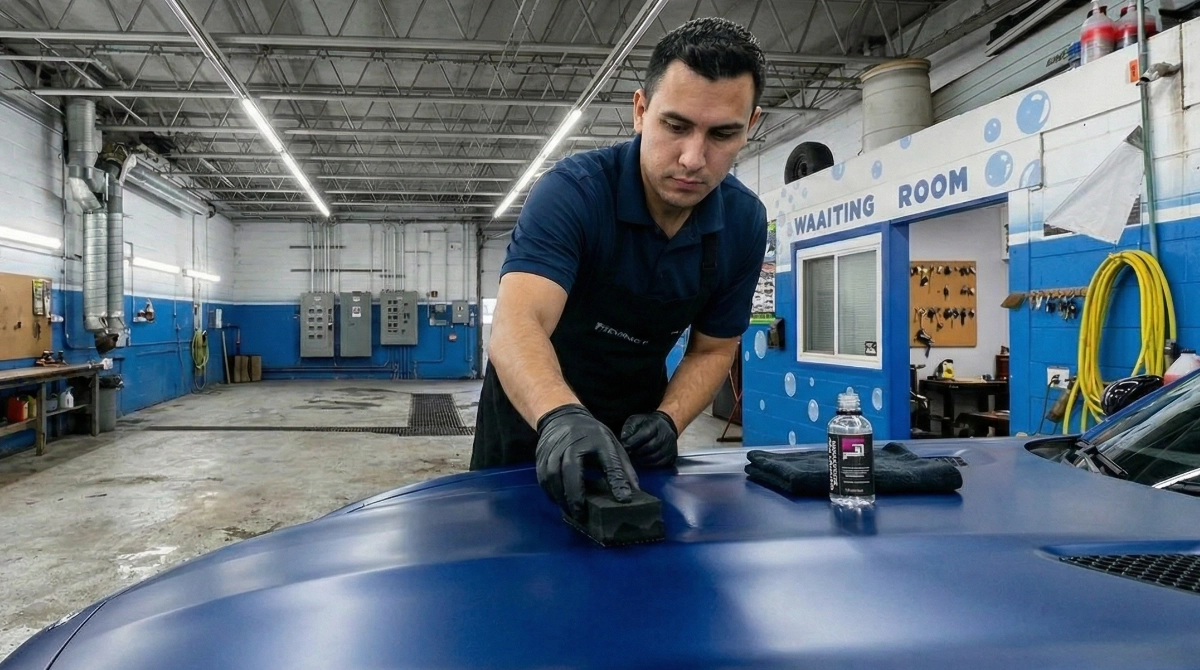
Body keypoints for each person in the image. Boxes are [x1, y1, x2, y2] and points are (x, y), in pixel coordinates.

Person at [471, 17, 769, 520]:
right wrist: (560, 416)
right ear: (640, 110)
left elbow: (714, 348)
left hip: (637, 434)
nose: (694, 158)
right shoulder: (574, 193)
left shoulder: (743, 222)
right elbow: (518, 323)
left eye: (722, 134)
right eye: (675, 126)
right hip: (532, 423)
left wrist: (668, 421)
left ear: (752, 127)